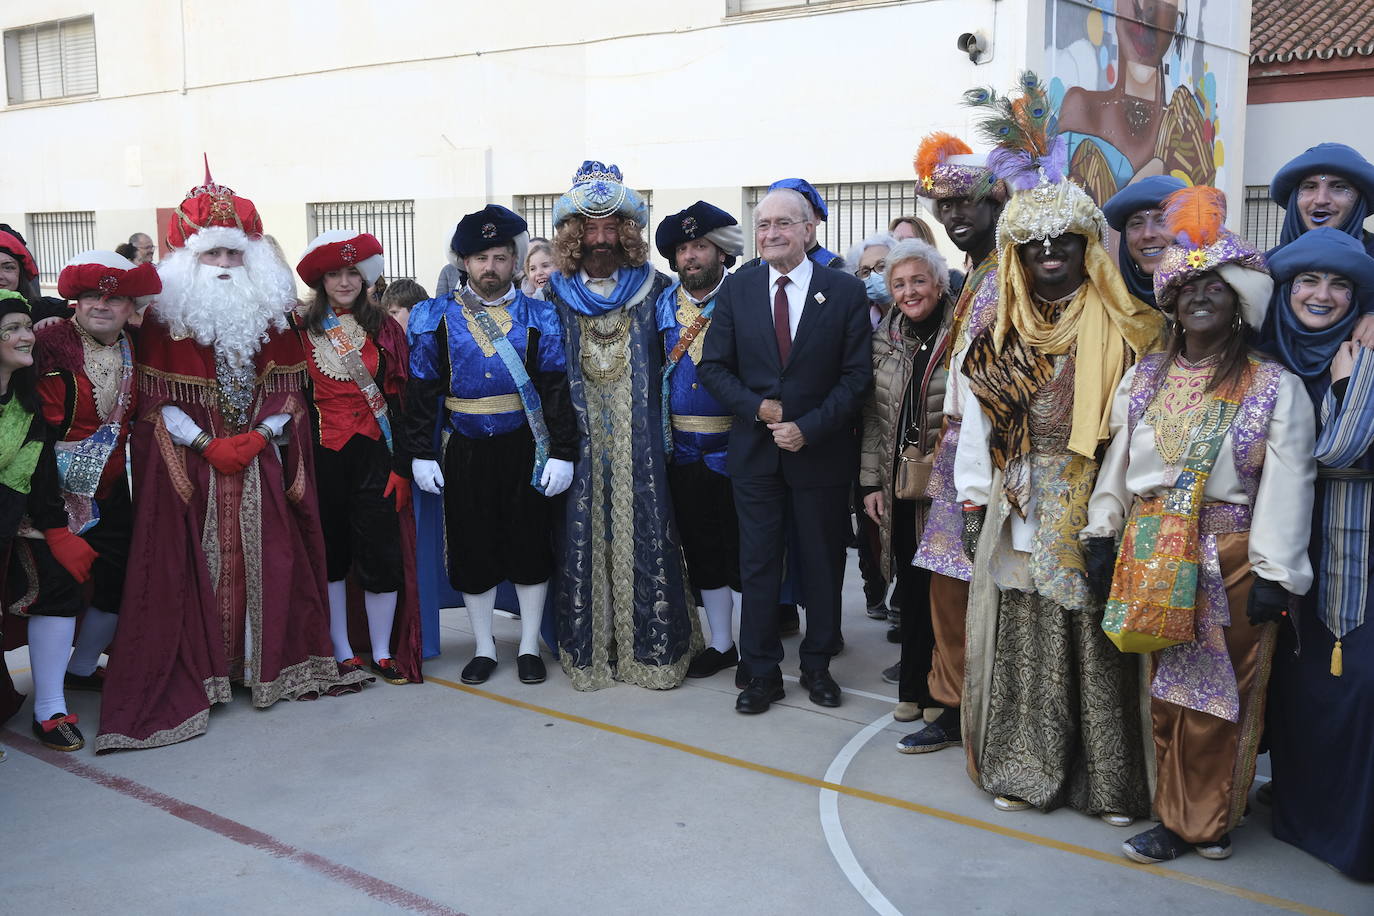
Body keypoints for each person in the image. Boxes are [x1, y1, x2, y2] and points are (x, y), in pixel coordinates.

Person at [1082, 185, 1315, 863]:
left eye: (1213, 287)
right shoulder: (1145, 377)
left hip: (1234, 558)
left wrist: (1274, 573)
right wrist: (1103, 530)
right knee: (1164, 693)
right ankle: (1172, 809)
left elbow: (1288, 485)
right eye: (1186, 290)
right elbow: (1119, 466)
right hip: (1153, 552)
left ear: (1238, 299)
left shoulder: (1274, 386)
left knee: (1220, 697)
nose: (1199, 298)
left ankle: (1204, 822)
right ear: (1173, 304)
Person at [96, 167, 366, 752]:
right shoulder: (163, 321)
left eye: (233, 253)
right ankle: (209, 674)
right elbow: (155, 401)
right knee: (187, 566)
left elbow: (291, 394)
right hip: (190, 470)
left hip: (259, 463)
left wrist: (259, 436)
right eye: (211, 252)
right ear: (187, 259)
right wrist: (205, 444)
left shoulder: (275, 318)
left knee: (272, 559)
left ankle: (259, 668)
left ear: (252, 260)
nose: (223, 263)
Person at [957, 75, 1163, 819]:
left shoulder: (1129, 328)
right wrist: (976, 498)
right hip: (1020, 501)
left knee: (1097, 647)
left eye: (1064, 243)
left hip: (1099, 500)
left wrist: (1118, 510)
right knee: (1028, 643)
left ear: (1085, 249)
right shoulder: (999, 336)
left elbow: (1142, 426)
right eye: (1036, 243)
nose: (1050, 253)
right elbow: (976, 434)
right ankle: (1024, 771)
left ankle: (1107, 785)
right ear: (1021, 254)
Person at [698, 186, 873, 714]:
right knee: (757, 565)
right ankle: (761, 671)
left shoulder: (842, 291)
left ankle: (817, 665)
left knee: (821, 562)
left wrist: (807, 427)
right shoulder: (738, 289)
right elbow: (712, 367)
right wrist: (760, 409)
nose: (771, 234)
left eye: (783, 224)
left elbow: (856, 377)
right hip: (755, 454)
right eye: (764, 225)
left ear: (809, 229)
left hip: (818, 454)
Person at [541, 162, 700, 690]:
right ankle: (591, 648)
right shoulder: (553, 293)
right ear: (572, 235)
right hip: (579, 438)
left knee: (648, 526)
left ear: (628, 232)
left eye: (612, 227)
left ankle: (652, 650)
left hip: (641, 440)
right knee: (581, 530)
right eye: (589, 228)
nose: (601, 239)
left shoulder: (657, 288)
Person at [405, 205, 576, 686]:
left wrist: (562, 451)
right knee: (471, 547)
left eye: (501, 257)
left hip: (525, 446)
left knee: (528, 545)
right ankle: (483, 646)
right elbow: (422, 391)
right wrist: (420, 452)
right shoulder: (433, 317)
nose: (490, 267)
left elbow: (556, 389)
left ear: (516, 261)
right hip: (463, 448)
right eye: (480, 257)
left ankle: (526, 647)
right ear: (463, 261)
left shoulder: (540, 315)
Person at [1259, 227, 1374, 879]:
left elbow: (1334, 451)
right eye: (1308, 281)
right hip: (1282, 557)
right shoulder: (1269, 356)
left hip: (1352, 561)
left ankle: (1348, 836)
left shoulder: (1361, 358)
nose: (1322, 295)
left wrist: (1346, 387)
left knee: (1351, 686)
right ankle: (1300, 816)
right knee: (1296, 687)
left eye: (1339, 284)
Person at [903, 130, 1007, 754]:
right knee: (947, 583)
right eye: (945, 206)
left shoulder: (1013, 273)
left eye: (967, 202)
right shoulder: (976, 275)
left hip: (999, 455)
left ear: (996, 202)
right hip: (956, 454)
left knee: (983, 588)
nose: (955, 215)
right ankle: (951, 705)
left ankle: (983, 710)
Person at [293, 231, 423, 686]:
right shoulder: (298, 329)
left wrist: (403, 465)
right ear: (321, 280)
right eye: (334, 273)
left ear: (366, 277)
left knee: (380, 554)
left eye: (353, 272)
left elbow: (405, 399)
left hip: (376, 455)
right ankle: (341, 648)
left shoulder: (385, 328)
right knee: (331, 555)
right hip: (321, 456)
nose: (344, 281)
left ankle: (384, 651)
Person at [31, 252, 157, 712]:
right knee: (58, 591)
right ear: (75, 301)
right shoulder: (45, 343)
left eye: (115, 297)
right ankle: (49, 706)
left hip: (108, 489)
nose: (101, 305)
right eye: (90, 295)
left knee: (119, 578)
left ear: (131, 307)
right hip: (43, 486)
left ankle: (82, 668)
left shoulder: (137, 346)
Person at [858, 239, 952, 726]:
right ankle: (913, 686)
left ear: (938, 281)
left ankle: (941, 688)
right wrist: (871, 483)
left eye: (919, 280)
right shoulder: (886, 339)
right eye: (899, 284)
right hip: (898, 484)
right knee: (911, 589)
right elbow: (873, 418)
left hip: (948, 484)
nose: (910, 291)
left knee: (944, 592)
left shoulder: (960, 330)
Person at [0, 290, 99, 750]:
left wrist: (57, 531)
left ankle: (51, 708)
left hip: (13, 519)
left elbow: (37, 474)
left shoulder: (24, 400)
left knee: (58, 584)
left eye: (26, 326)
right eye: (13, 329)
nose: (27, 337)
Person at [653, 202, 745, 680]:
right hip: (683, 452)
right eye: (684, 248)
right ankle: (722, 644)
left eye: (701, 246)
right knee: (703, 549)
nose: (692, 256)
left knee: (747, 553)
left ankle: (754, 646)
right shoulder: (662, 306)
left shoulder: (745, 298)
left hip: (740, 449)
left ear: (721, 253)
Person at [845, 231, 899, 622]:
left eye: (881, 267)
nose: (873, 277)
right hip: (864, 437)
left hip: (905, 440)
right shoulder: (856, 319)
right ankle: (875, 588)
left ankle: (902, 600)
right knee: (869, 523)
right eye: (865, 271)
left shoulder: (915, 314)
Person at [1269, 142, 1374, 255]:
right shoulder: (1264, 268)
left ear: (1360, 200)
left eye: (1338, 187)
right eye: (1310, 187)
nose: (1321, 200)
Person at [1101, 175, 1185, 310]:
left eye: (1162, 221)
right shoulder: (1109, 310)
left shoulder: (1211, 300)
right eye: (1137, 223)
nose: (1147, 234)